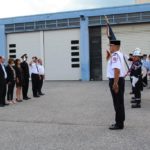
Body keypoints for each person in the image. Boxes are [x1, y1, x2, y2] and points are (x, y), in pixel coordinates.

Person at [106, 40, 126, 130]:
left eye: (111, 45)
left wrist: (115, 83)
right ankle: (121, 120)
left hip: (116, 80)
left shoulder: (115, 56)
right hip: (119, 80)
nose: (110, 47)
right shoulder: (119, 54)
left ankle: (119, 123)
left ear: (115, 46)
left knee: (117, 102)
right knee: (119, 102)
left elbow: (116, 70)